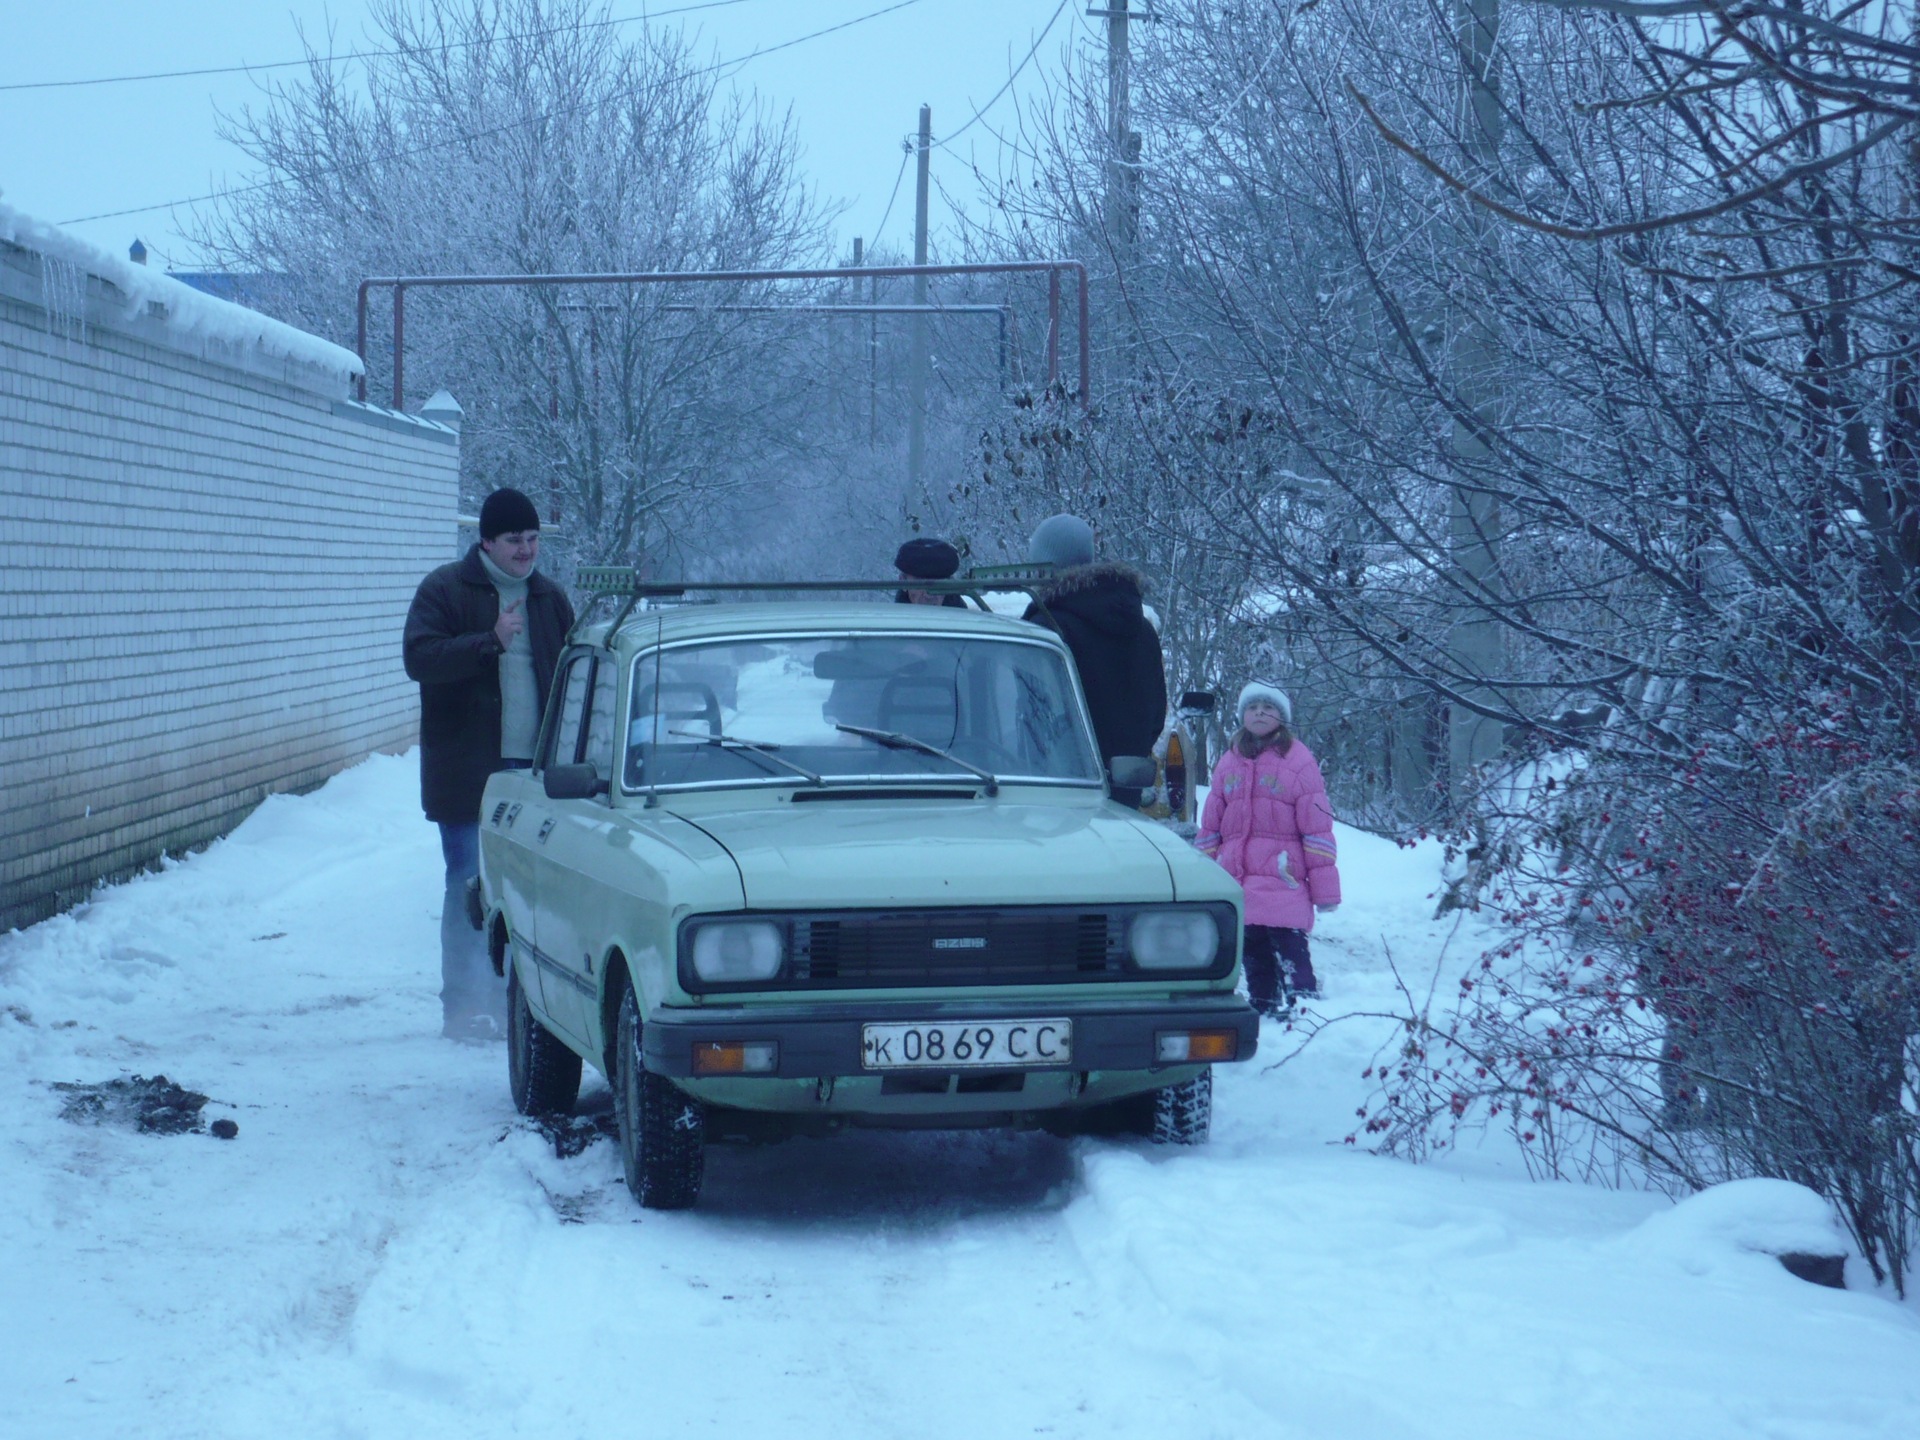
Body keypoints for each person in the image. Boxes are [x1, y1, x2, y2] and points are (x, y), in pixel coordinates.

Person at [403, 488, 574, 1040]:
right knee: (468, 884)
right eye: (514, 540)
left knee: (530, 889)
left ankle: (524, 1005)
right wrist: (489, 641)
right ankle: (465, 1006)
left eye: (532, 539)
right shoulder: (446, 589)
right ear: (486, 542)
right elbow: (419, 658)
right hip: (467, 769)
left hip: (535, 773)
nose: (526, 551)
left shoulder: (549, 599)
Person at [1195, 681, 1341, 1015]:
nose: (1260, 713)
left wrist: (1325, 891)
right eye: (1252, 707)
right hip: (1237, 880)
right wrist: (1205, 877)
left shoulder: (1298, 762)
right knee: (1253, 951)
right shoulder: (1228, 762)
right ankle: (1263, 1005)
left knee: (1290, 948)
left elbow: (1317, 829)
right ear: (1242, 715)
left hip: (1282, 879)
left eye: (1269, 707)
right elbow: (1210, 827)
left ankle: (1304, 1007)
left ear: (1283, 718)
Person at [1021, 513, 1167, 803]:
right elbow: (1155, 715)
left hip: (1057, 789)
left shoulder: (1048, 627)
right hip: (1126, 788)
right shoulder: (1142, 628)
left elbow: (1030, 715)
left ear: (1044, 563)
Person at [894, 536, 967, 607]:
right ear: (903, 581)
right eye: (920, 583)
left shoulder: (964, 617)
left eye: (938, 583)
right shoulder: (891, 617)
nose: (929, 596)